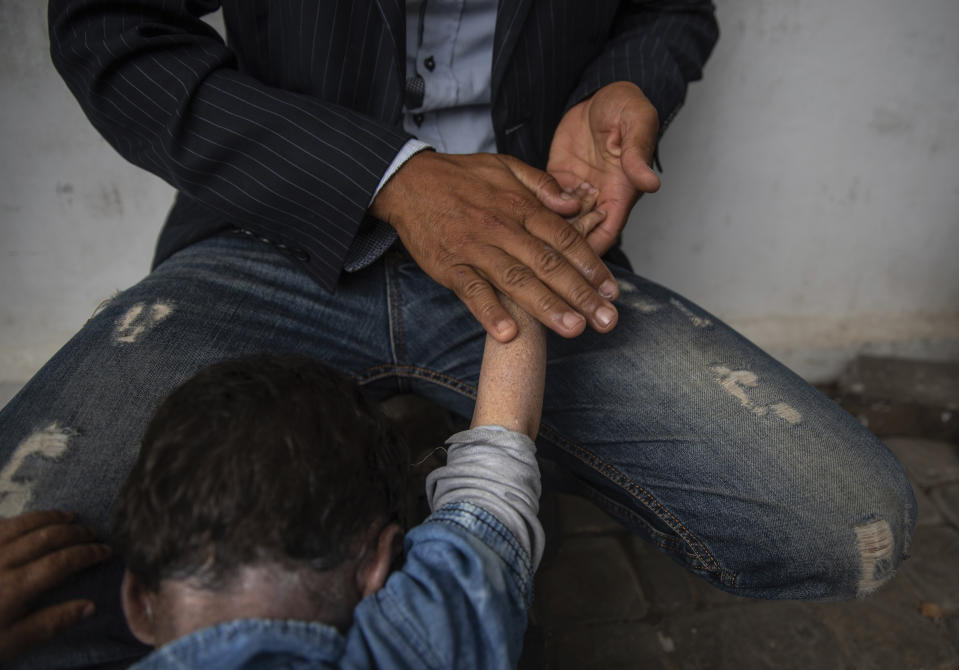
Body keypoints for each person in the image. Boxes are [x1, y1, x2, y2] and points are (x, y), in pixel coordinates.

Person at [1, 1, 915, 667]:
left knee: (845, 524)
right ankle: (437, 518)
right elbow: (109, 27)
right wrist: (388, 178)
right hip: (277, 235)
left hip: (532, 236)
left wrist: (625, 81)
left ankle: (399, 486)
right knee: (28, 581)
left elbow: (669, 7)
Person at [3, 286, 553, 668]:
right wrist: (528, 278)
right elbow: (494, 479)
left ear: (138, 601)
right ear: (382, 565)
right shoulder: (418, 648)